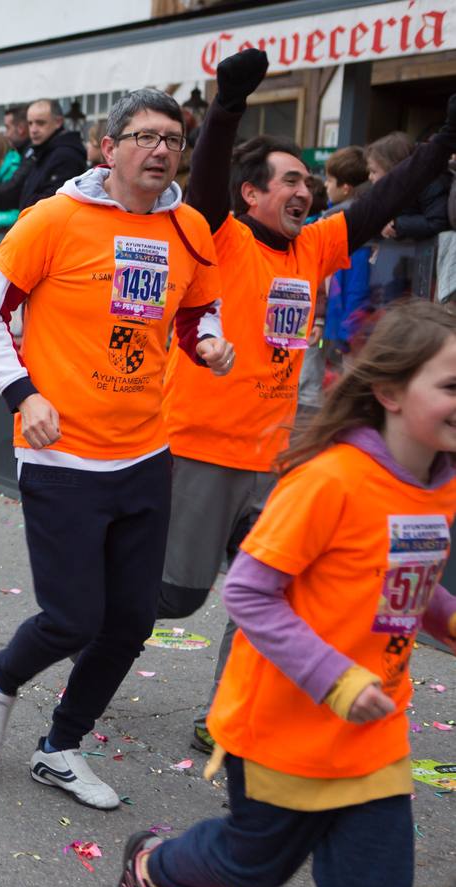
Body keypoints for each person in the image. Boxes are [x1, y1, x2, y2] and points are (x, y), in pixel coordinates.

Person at [157, 51, 456, 752]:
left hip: (278, 455)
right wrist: (226, 109)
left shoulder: (313, 249)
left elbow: (382, 200)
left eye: (308, 182)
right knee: (176, 597)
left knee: (276, 590)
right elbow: (204, 182)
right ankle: (97, 628)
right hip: (200, 447)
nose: (305, 192)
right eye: (289, 181)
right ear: (251, 195)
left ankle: (222, 715)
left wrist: (444, 144)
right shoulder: (221, 239)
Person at [114, 301, 456, 887]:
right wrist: (336, 679)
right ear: (391, 392)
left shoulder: (441, 484)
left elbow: (399, 576)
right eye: (452, 385)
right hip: (283, 726)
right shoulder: (330, 480)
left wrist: (447, 616)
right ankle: (149, 867)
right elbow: (248, 592)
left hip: (373, 732)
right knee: (255, 867)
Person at [0, 87, 234, 809]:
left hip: (146, 453)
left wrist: (205, 339)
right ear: (109, 149)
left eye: (172, 138)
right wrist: (24, 395)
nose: (159, 149)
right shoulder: (54, 218)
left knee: (130, 623)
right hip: (62, 454)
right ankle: (0, 679)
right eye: (143, 136)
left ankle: (61, 747)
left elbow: (195, 304)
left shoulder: (189, 227)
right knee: (73, 618)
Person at [321, 147, 372, 371]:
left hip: (351, 332)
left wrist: (346, 334)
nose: (325, 185)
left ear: (345, 188)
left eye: (330, 180)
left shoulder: (347, 225)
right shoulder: (340, 217)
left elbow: (355, 289)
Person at [365, 131, 453, 241]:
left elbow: (437, 222)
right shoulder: (389, 190)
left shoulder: (430, 182)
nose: (370, 177)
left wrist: (397, 224)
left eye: (374, 171)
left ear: (393, 169)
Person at [17, 99, 88, 210]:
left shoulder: (66, 155)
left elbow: (53, 201)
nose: (33, 129)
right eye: (30, 123)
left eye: (40, 123)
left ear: (58, 122)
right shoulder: (42, 150)